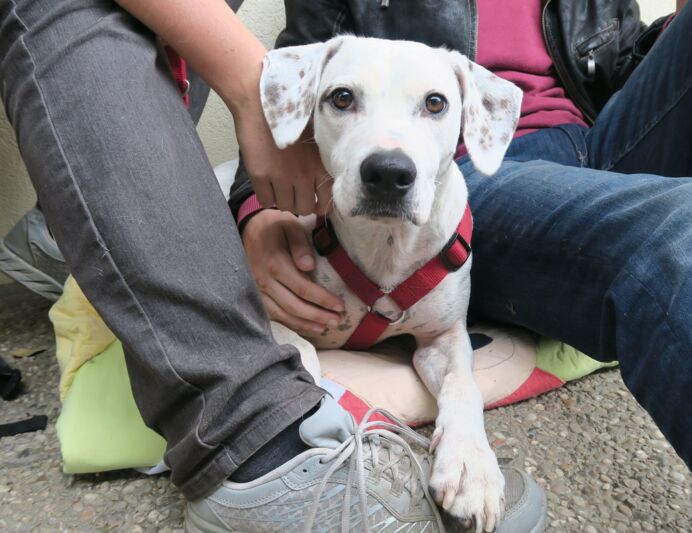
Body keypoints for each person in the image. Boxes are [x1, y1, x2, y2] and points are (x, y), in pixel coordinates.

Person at [1, 0, 692, 531]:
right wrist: (256, 206)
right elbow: (290, 92)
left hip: (603, 133)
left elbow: (617, 61)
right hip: (493, 170)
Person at [0, 0, 544, 532]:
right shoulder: (297, 219)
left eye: (432, 106)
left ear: (470, 117)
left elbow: (443, 339)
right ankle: (267, 439)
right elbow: (271, 320)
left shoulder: (449, 244)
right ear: (303, 101)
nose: (388, 158)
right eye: (345, 100)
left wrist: (464, 419)